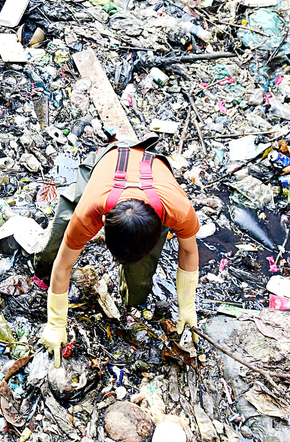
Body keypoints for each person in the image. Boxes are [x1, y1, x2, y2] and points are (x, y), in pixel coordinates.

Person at [39, 136, 200, 366]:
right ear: (102, 222)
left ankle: (134, 296)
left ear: (162, 227)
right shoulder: (91, 211)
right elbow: (63, 264)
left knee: (138, 286)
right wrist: (55, 323)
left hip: (153, 170)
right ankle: (42, 274)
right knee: (56, 243)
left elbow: (189, 252)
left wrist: (187, 307)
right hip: (106, 163)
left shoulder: (178, 209)